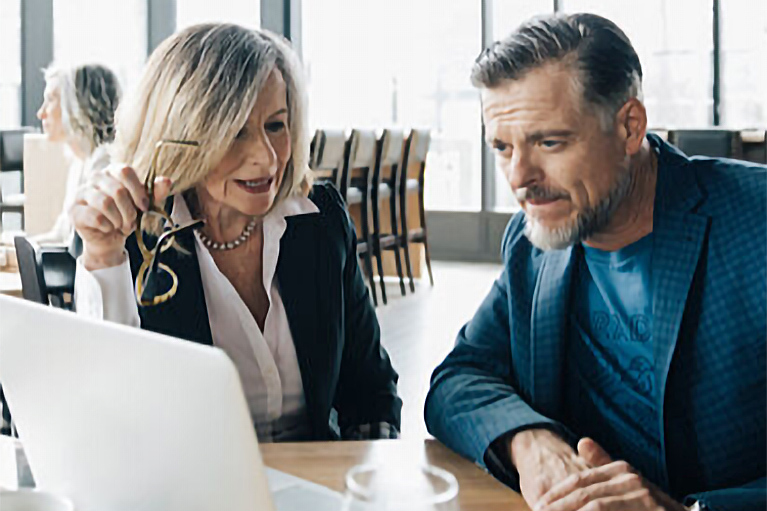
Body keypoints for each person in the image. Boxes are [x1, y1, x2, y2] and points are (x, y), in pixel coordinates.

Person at [425, 13, 765, 511]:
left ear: (629, 127)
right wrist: (531, 441)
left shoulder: (755, 222)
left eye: (549, 142)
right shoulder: (531, 241)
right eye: (502, 147)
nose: (520, 177)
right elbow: (458, 379)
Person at [71, 24, 401, 442]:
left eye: (276, 126)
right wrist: (102, 258)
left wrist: (362, 488)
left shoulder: (320, 220)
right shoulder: (131, 239)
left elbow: (370, 387)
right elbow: (110, 412)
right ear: (182, 134)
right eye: (235, 132)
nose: (266, 158)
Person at [33, 63, 121, 245]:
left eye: (50, 100)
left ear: (77, 105)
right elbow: (61, 236)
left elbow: (73, 250)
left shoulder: (105, 165)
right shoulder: (80, 163)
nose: (41, 113)